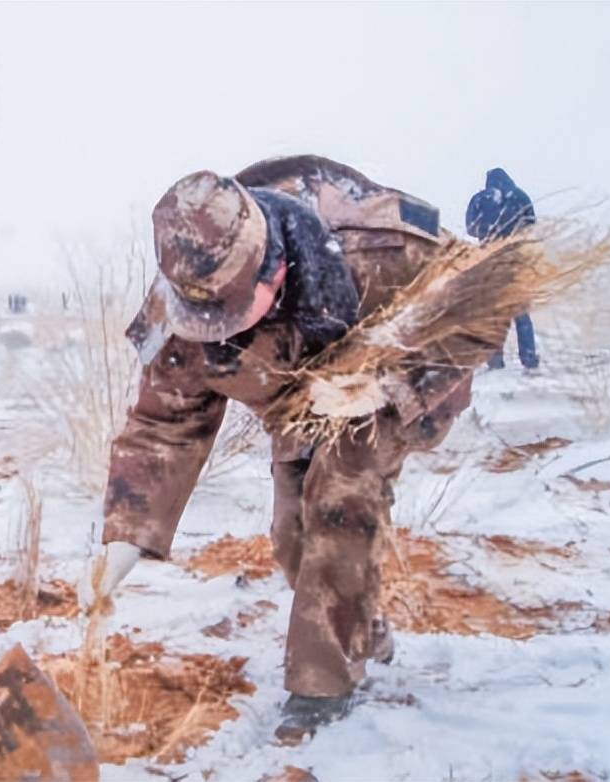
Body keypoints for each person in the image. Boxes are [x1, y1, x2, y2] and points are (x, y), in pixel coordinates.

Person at [84, 156, 494, 744]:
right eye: (200, 317)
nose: (213, 328)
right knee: (292, 533)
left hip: (394, 378)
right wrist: (124, 537)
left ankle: (321, 690)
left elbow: (482, 315)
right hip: (297, 391)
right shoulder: (182, 301)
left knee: (340, 494)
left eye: (227, 311)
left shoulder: (385, 251)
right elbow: (163, 424)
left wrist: (389, 388)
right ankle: (359, 625)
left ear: (273, 269)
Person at [466, 167, 540, 369]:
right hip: (515, 258)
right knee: (521, 311)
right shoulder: (519, 196)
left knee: (494, 312)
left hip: (490, 259)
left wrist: (487, 231)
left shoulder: (480, 199)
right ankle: (529, 358)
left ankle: (495, 359)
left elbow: (470, 229)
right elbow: (531, 223)